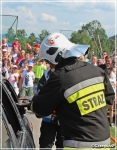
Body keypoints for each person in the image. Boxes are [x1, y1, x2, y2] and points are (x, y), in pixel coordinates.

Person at [30, 32, 115, 149]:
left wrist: (31, 104)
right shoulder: (96, 70)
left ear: (56, 56)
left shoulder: (60, 77)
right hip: (104, 142)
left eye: (49, 61)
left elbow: (39, 108)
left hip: (78, 144)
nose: (50, 65)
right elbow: (110, 99)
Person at [37, 64, 63, 149]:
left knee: (62, 145)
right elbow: (39, 92)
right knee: (45, 145)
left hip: (64, 119)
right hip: (48, 117)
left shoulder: (69, 73)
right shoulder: (46, 74)